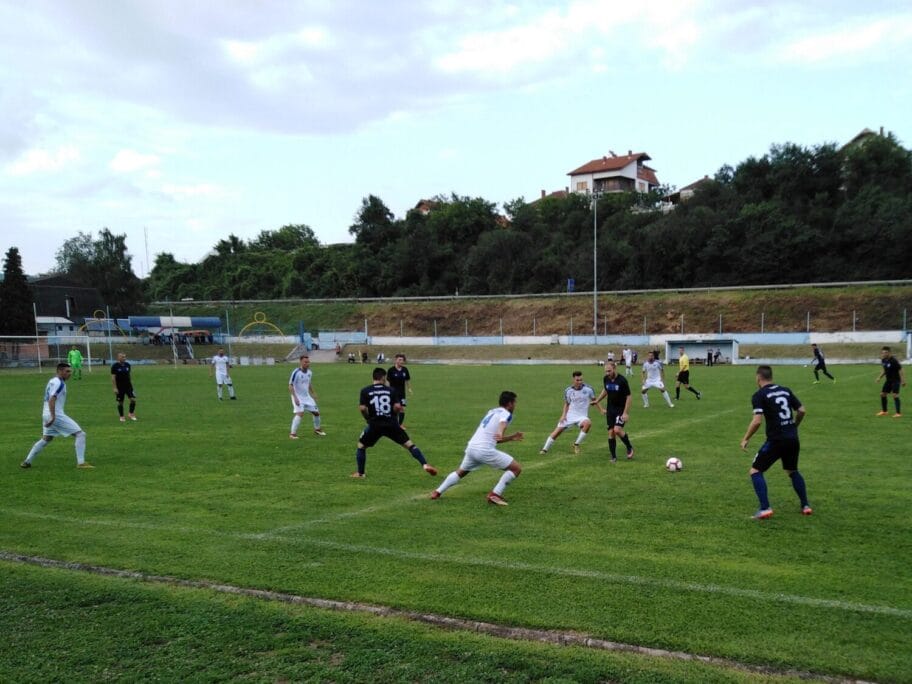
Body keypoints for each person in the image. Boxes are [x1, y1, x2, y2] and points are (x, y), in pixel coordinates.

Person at [739, 365, 811, 520]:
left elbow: (757, 421)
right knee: (792, 471)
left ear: (758, 378)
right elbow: (802, 410)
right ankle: (805, 505)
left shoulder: (759, 395)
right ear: (771, 377)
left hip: (776, 440)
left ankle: (765, 508)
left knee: (755, 471)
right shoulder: (785, 390)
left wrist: (746, 438)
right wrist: (794, 425)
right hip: (792, 438)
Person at [431, 391, 524, 506]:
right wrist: (500, 432)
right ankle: (495, 494)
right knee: (516, 468)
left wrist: (511, 437)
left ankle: (437, 492)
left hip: (472, 447)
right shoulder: (506, 413)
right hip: (484, 450)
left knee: (461, 472)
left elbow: (496, 439)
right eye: (514, 403)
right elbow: (502, 423)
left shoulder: (492, 411)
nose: (515, 405)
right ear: (509, 404)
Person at [352, 367, 436, 478]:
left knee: (361, 446)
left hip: (375, 425)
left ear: (373, 377)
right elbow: (397, 407)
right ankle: (425, 464)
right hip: (391, 424)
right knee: (410, 445)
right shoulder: (391, 390)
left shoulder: (365, 390)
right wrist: (393, 415)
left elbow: (362, 408)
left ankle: (360, 473)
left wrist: (368, 418)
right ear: (383, 377)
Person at [20, 362, 94, 469]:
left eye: (70, 371)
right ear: (59, 371)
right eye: (67, 371)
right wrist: (53, 416)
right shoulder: (59, 383)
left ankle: (27, 461)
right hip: (54, 414)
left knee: (46, 438)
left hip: (45, 414)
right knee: (80, 434)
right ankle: (81, 463)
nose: (69, 373)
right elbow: (52, 399)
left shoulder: (52, 381)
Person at [540, 371, 596, 455]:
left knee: (588, 423)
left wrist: (601, 410)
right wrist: (563, 416)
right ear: (573, 380)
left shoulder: (588, 389)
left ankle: (576, 444)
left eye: (581, 380)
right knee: (557, 432)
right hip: (570, 415)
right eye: (577, 380)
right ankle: (544, 450)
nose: (580, 382)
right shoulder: (568, 391)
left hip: (582, 416)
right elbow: (567, 404)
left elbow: (595, 400)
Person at [592, 361, 635, 462]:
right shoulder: (606, 378)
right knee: (611, 432)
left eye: (609, 371)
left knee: (617, 430)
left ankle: (629, 447)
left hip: (620, 409)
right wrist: (597, 400)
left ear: (615, 369)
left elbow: (629, 397)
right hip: (610, 409)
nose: (607, 373)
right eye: (606, 371)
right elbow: (606, 390)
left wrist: (625, 413)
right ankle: (613, 457)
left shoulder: (622, 380)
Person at [289, 354, 325, 438]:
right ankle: (292, 434)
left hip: (307, 397)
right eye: (305, 362)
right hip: (298, 397)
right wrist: (295, 398)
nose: (307, 364)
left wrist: (313, 393)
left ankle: (317, 430)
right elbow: (290, 385)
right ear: (301, 362)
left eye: (308, 362)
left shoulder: (309, 372)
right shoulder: (296, 372)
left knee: (316, 413)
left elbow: (308, 383)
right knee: (300, 413)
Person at [876, 346, 905, 417]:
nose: (884, 354)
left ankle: (898, 413)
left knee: (895, 395)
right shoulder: (883, 360)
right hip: (888, 380)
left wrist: (903, 381)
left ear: (889, 353)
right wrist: (879, 377)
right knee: (882, 394)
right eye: (883, 353)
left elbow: (900, 370)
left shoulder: (894, 361)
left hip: (895, 380)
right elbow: (884, 370)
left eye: (886, 352)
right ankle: (884, 411)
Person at [111, 352, 137, 422]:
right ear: (118, 357)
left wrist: (131, 384)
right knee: (120, 402)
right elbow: (113, 377)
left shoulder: (128, 365)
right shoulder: (115, 366)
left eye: (125, 357)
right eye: (122, 357)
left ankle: (131, 414)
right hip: (120, 387)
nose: (124, 358)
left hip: (128, 386)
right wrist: (115, 388)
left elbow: (128, 375)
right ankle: (122, 416)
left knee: (133, 400)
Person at [387, 353, 412, 426]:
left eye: (402, 360)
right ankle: (392, 423)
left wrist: (409, 388)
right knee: (394, 409)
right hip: (393, 393)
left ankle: (399, 425)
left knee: (402, 408)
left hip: (402, 393)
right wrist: (388, 390)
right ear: (396, 360)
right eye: (400, 360)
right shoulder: (391, 370)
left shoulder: (405, 369)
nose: (401, 361)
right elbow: (388, 381)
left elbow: (407, 380)